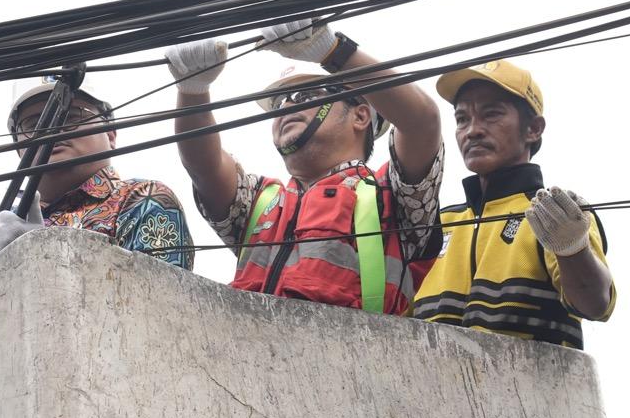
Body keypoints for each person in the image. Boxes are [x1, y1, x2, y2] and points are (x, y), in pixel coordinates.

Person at [165, 19, 444, 314]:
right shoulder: (260, 200)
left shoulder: (391, 196)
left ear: (360, 116)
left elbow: (421, 123)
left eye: (304, 97)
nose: (286, 107)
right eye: (279, 103)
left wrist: (333, 51)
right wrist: (193, 91)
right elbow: (203, 167)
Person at [0, 77, 194, 324]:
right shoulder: (5, 222)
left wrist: (45, 253)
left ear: (111, 133)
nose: (52, 129)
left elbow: (159, 311)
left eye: (72, 116)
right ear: (20, 148)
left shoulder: (142, 199)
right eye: (35, 123)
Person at [413, 59, 615, 349]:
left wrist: (572, 249)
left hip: (532, 393)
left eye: (491, 115)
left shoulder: (557, 215)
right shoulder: (440, 222)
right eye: (462, 119)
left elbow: (595, 303)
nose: (473, 131)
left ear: (533, 129)